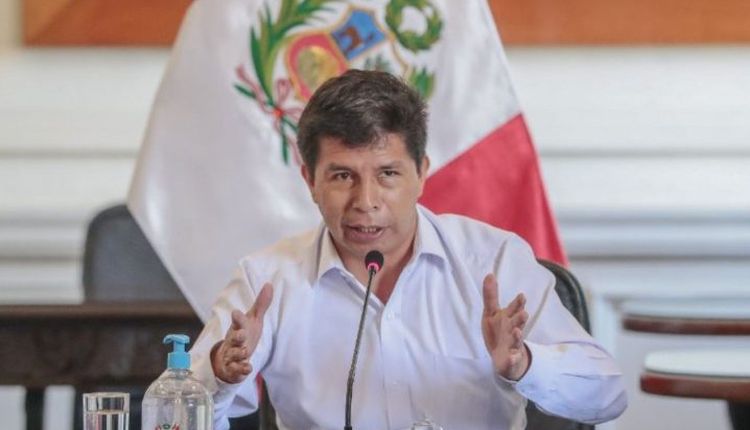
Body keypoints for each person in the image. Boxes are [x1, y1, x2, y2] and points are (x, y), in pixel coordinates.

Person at [190, 69, 627, 430]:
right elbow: (173, 417)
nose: (366, 201)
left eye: (387, 174)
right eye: (342, 176)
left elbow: (607, 394)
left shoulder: (493, 261)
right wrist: (220, 372)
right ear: (310, 181)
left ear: (421, 173)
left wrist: (524, 364)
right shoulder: (266, 280)